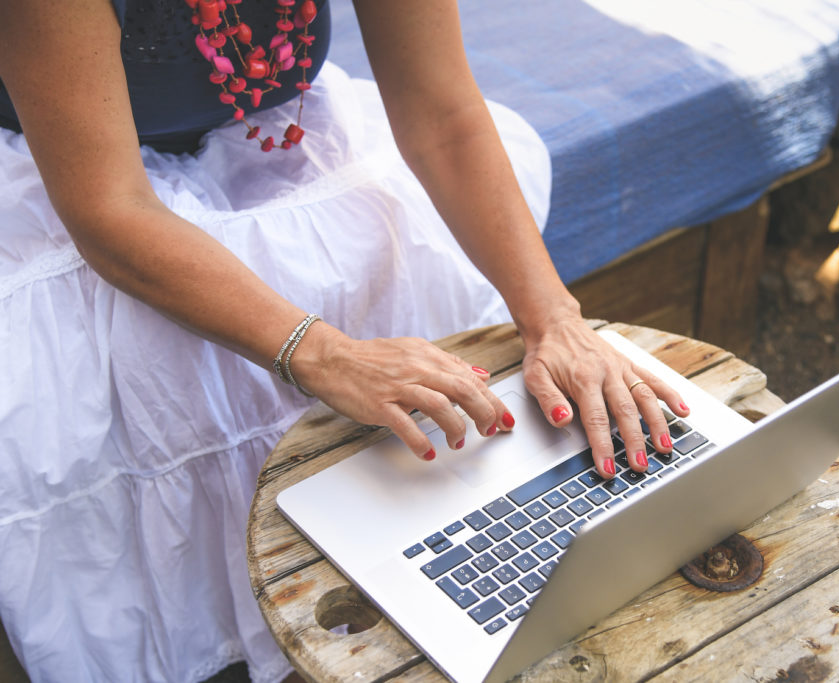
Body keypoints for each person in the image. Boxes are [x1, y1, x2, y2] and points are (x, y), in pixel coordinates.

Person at [0, 0, 690, 680]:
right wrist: (322, 352)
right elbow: (107, 208)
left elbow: (444, 113)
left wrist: (554, 318)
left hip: (276, 140)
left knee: (387, 254)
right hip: (77, 177)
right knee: (156, 356)